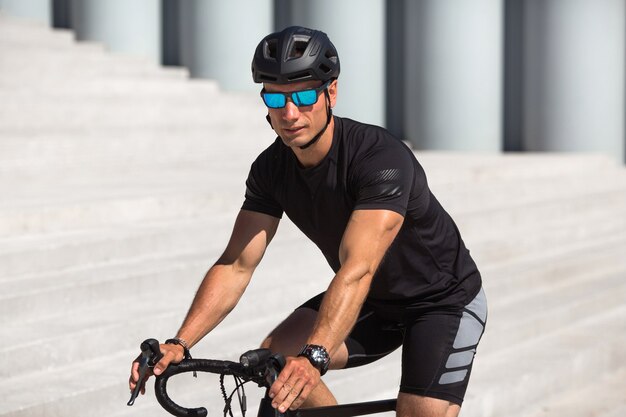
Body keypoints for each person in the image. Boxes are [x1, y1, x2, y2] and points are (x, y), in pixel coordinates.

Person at [129, 26, 487, 417]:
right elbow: (236, 264)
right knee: (276, 358)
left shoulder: (381, 160)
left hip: (440, 301)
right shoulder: (270, 169)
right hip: (375, 303)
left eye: (302, 95)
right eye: (275, 98)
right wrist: (179, 343)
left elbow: (358, 268)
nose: (289, 113)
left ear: (331, 93)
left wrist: (314, 357)